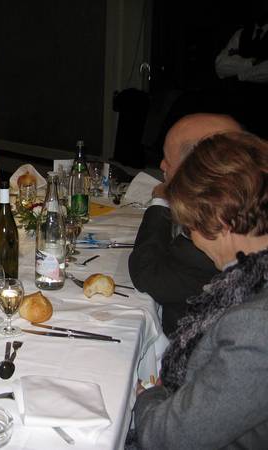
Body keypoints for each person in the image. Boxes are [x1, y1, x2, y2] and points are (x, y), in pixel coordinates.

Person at [133, 131, 268, 448]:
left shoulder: (255, 325)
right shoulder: (245, 284)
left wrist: (146, 397)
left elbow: (169, 438)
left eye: (190, 224)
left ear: (221, 220)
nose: (192, 237)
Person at [128, 113, 242, 335]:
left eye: (167, 159)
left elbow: (149, 274)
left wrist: (161, 200)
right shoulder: (236, 206)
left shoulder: (216, 231)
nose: (161, 164)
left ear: (197, 168)